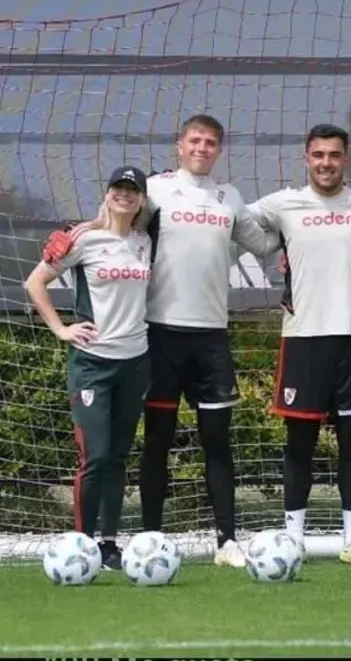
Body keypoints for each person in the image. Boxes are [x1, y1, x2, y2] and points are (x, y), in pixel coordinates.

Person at [138, 114, 279, 568]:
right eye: (195, 140)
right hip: (160, 333)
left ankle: (226, 542)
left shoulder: (230, 198)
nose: (202, 147)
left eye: (211, 142)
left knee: (216, 440)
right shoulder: (155, 190)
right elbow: (117, 224)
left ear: (219, 150)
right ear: (179, 145)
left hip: (211, 337)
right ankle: (150, 539)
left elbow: (264, 244)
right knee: (158, 439)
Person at [246, 124, 351, 564]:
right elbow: (231, 218)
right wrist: (273, 245)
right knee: (299, 445)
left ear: (346, 159)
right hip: (303, 339)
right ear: (306, 158)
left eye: (334, 155)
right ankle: (294, 540)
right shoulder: (283, 204)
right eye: (318, 155)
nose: (326, 162)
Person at [23, 166, 152, 570]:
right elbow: (34, 283)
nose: (124, 195)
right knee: (94, 457)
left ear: (142, 200)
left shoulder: (145, 241)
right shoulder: (81, 238)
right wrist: (61, 329)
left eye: (133, 190)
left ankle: (110, 544)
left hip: (135, 363)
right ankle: (81, 543)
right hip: (93, 365)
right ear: (108, 192)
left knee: (116, 456)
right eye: (119, 188)